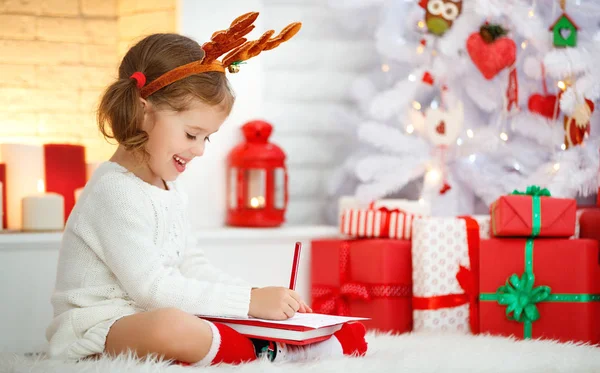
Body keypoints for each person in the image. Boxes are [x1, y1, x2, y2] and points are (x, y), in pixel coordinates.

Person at [45, 12, 367, 366]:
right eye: (191, 134)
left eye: (206, 138)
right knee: (171, 326)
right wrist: (248, 304)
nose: (199, 150)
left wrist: (251, 295)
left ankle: (282, 342)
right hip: (98, 329)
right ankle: (277, 351)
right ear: (142, 113)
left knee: (190, 317)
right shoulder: (115, 193)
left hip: (147, 312)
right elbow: (152, 289)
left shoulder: (167, 188)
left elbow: (191, 265)